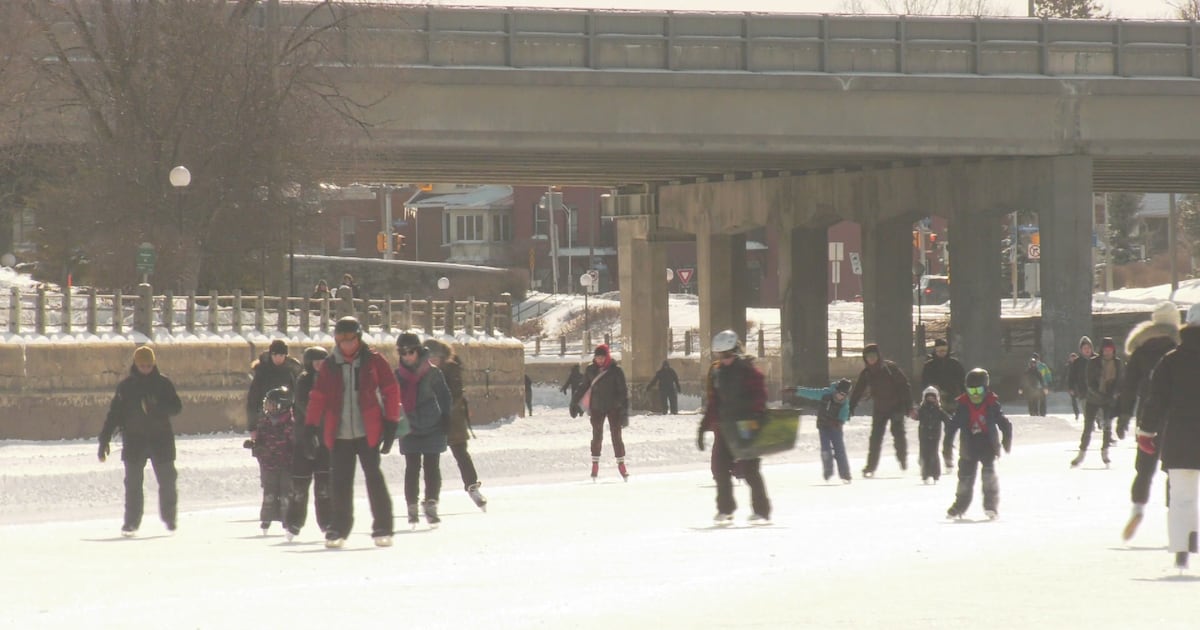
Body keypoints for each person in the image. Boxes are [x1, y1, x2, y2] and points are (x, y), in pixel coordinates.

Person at [305, 316, 402, 548]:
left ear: (358, 338)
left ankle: (383, 525)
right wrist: (310, 426)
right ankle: (338, 526)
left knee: (374, 478)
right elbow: (318, 396)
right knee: (339, 482)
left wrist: (391, 423)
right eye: (340, 340)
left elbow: (390, 389)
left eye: (350, 339)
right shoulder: (330, 365)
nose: (346, 345)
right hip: (339, 434)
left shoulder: (374, 360)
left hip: (367, 431)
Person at [1139, 303, 1200, 570]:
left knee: (1182, 497)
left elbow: (1156, 400)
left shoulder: (1171, 360)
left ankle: (1183, 548)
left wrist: (1146, 431)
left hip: (1180, 438)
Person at [97, 346, 183, 536]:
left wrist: (158, 408)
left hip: (161, 440)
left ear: (154, 364)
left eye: (149, 365)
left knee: (168, 481)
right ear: (136, 364)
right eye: (142, 365)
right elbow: (114, 415)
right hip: (135, 441)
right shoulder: (126, 387)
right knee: (133, 484)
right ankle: (131, 522)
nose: (146, 368)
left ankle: (169, 518)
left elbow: (176, 407)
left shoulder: (163, 384)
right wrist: (104, 440)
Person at [1115, 302, 1180, 541]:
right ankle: (1175, 514)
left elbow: (1129, 386)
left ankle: (1138, 508)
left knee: (1144, 466)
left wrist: (1123, 415)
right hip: (1174, 414)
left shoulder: (1140, 350)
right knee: (1174, 466)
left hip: (1146, 412)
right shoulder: (1179, 347)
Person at [697, 330, 771, 524]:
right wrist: (703, 426)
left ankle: (762, 511)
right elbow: (714, 401)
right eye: (720, 355)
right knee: (719, 469)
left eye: (728, 355)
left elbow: (760, 397)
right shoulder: (717, 372)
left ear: (736, 351)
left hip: (746, 426)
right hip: (724, 427)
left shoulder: (748, 370)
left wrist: (754, 417)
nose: (724, 359)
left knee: (749, 470)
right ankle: (725, 509)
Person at [393, 333, 452, 529]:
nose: (407, 356)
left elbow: (444, 395)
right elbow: (391, 400)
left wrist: (446, 417)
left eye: (411, 352)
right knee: (412, 468)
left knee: (432, 467)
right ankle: (411, 505)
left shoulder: (432, 372)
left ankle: (431, 503)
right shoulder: (398, 375)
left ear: (418, 351)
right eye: (403, 353)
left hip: (432, 424)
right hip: (409, 427)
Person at [424, 338, 488, 511]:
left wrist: (442, 409)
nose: (431, 361)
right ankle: (431, 497)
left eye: (434, 357)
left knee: (461, 454)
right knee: (431, 460)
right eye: (428, 357)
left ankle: (472, 486)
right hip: (430, 422)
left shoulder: (451, 369)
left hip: (453, 420)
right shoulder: (422, 371)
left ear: (442, 357)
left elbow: (456, 393)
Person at [945, 368, 1013, 520]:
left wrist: (1006, 439)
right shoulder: (963, 405)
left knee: (988, 475)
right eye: (971, 390)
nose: (975, 394)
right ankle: (960, 505)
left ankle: (991, 505)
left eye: (978, 390)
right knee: (965, 476)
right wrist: (947, 446)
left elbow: (1004, 423)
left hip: (987, 443)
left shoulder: (991, 403)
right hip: (969, 445)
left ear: (985, 389)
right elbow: (952, 427)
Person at [284, 346, 331, 542]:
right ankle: (294, 523)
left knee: (324, 486)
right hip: (305, 438)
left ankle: (327, 522)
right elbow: (303, 405)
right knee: (300, 486)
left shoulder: (331, 381)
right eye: (316, 361)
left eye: (322, 360)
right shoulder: (304, 380)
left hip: (326, 439)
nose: (319, 364)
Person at [848, 343, 914, 477]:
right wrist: (851, 406)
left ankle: (902, 458)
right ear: (865, 358)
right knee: (875, 438)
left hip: (896, 407)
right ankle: (870, 467)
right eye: (868, 357)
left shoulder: (890, 368)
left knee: (898, 434)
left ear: (878, 356)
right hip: (880, 408)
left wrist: (908, 406)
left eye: (873, 356)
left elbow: (904, 385)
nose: (871, 359)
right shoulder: (867, 373)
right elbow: (858, 390)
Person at [571, 344, 630, 481]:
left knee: (616, 436)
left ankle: (621, 465)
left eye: (602, 357)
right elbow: (583, 387)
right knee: (597, 435)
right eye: (597, 358)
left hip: (613, 407)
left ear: (607, 356)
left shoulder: (616, 371)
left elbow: (623, 392)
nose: (600, 360)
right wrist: (574, 402)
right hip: (597, 407)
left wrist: (624, 413)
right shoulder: (591, 370)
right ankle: (595, 464)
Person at [1072, 337, 1123, 468]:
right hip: (1093, 399)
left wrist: (1115, 394)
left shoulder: (1117, 363)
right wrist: (1099, 394)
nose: (1107, 352)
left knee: (1107, 426)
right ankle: (1082, 452)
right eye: (1105, 350)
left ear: (1113, 350)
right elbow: (1090, 383)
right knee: (1088, 427)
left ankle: (1105, 452)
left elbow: (1120, 381)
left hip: (1108, 400)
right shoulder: (1094, 362)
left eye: (1110, 350)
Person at [791, 378, 853, 483]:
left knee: (839, 450)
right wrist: (797, 390)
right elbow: (812, 393)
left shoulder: (844, 403)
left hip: (835, 428)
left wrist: (839, 422)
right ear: (836, 390)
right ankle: (828, 470)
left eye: (844, 395)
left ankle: (845, 474)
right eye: (840, 393)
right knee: (825, 449)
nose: (841, 396)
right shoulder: (826, 393)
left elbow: (845, 415)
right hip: (823, 427)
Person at [251, 387, 294, 536]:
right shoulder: (265, 422)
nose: (268, 408)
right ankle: (266, 520)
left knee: (285, 495)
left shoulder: (290, 423)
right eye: (267, 404)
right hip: (269, 465)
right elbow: (260, 442)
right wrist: (256, 448)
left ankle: (288, 522)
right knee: (269, 494)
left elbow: (295, 445)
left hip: (286, 466)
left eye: (272, 405)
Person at [920, 338, 965, 470]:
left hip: (952, 401)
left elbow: (963, 383)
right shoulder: (929, 366)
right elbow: (924, 384)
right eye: (939, 350)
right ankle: (926, 458)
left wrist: (963, 398)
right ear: (935, 350)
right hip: (934, 403)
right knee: (930, 433)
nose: (942, 353)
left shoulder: (955, 364)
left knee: (950, 430)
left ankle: (948, 454)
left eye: (944, 350)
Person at [245, 339, 301, 441]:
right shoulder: (262, 372)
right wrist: (252, 427)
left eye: (281, 355)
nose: (278, 358)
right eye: (275, 355)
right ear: (271, 355)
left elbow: (297, 399)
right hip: (265, 421)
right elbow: (253, 400)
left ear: (285, 356)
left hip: (287, 421)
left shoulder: (292, 371)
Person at [917, 386, 951, 484]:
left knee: (933, 454)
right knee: (924, 454)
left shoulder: (938, 410)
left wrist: (951, 424)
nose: (930, 399)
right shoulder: (922, 409)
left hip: (935, 435)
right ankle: (925, 475)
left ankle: (935, 474)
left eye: (932, 397)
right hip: (923, 435)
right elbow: (916, 416)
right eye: (928, 397)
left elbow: (947, 419)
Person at [1068, 336, 1095, 422]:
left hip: (1096, 390)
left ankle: (1099, 421)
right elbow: (1071, 376)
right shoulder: (1077, 362)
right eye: (1084, 348)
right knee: (1086, 410)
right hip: (1083, 390)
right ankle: (1089, 425)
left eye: (1088, 348)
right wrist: (1071, 387)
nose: (1087, 350)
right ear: (1081, 350)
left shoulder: (1097, 359)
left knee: (1098, 410)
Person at [1065, 352, 1081, 419]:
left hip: (1080, 385)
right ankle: (1076, 413)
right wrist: (1069, 387)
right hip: (1072, 385)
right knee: (1073, 401)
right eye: (1072, 358)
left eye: (1074, 358)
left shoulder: (1080, 365)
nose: (1073, 359)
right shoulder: (1068, 366)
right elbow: (1067, 377)